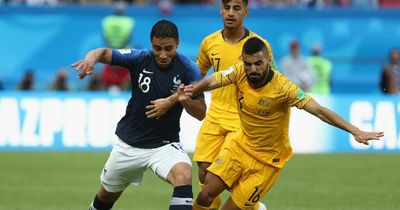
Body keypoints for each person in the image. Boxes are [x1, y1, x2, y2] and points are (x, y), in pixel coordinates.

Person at [181, 37, 383, 210]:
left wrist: (355, 130)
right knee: (205, 195)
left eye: (258, 63)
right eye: (248, 63)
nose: (253, 69)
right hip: (239, 147)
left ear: (268, 60)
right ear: (242, 61)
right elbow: (212, 81)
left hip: (267, 162)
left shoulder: (283, 88)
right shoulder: (238, 71)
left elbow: (320, 111)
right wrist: (192, 89)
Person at [71, 20, 207, 210]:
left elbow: (201, 113)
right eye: (157, 48)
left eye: (168, 48)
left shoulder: (188, 69)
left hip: (164, 146)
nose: (162, 55)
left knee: (183, 174)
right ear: (151, 43)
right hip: (128, 146)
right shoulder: (140, 58)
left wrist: (180, 100)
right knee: (105, 197)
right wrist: (91, 59)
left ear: (178, 43)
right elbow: (102, 52)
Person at [193, 0, 275, 209]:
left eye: (236, 8)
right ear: (221, 9)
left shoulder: (259, 45)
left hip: (241, 120)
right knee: (204, 172)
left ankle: (252, 205)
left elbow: (271, 82)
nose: (230, 13)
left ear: (245, 12)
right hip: (215, 115)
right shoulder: (209, 42)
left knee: (219, 179)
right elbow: (197, 76)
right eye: (227, 7)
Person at [101, 1, 134, 92]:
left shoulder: (107, 20)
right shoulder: (129, 21)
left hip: (112, 50)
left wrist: (112, 49)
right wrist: (119, 49)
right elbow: (129, 37)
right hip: (121, 52)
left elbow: (105, 37)